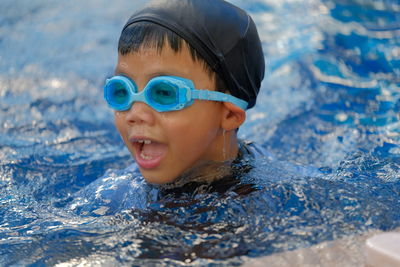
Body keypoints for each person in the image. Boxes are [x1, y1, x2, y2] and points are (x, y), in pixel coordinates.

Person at [103, 0, 265, 186]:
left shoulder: (278, 197)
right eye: (121, 91)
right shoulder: (114, 191)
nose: (134, 114)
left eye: (164, 92)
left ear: (229, 115)